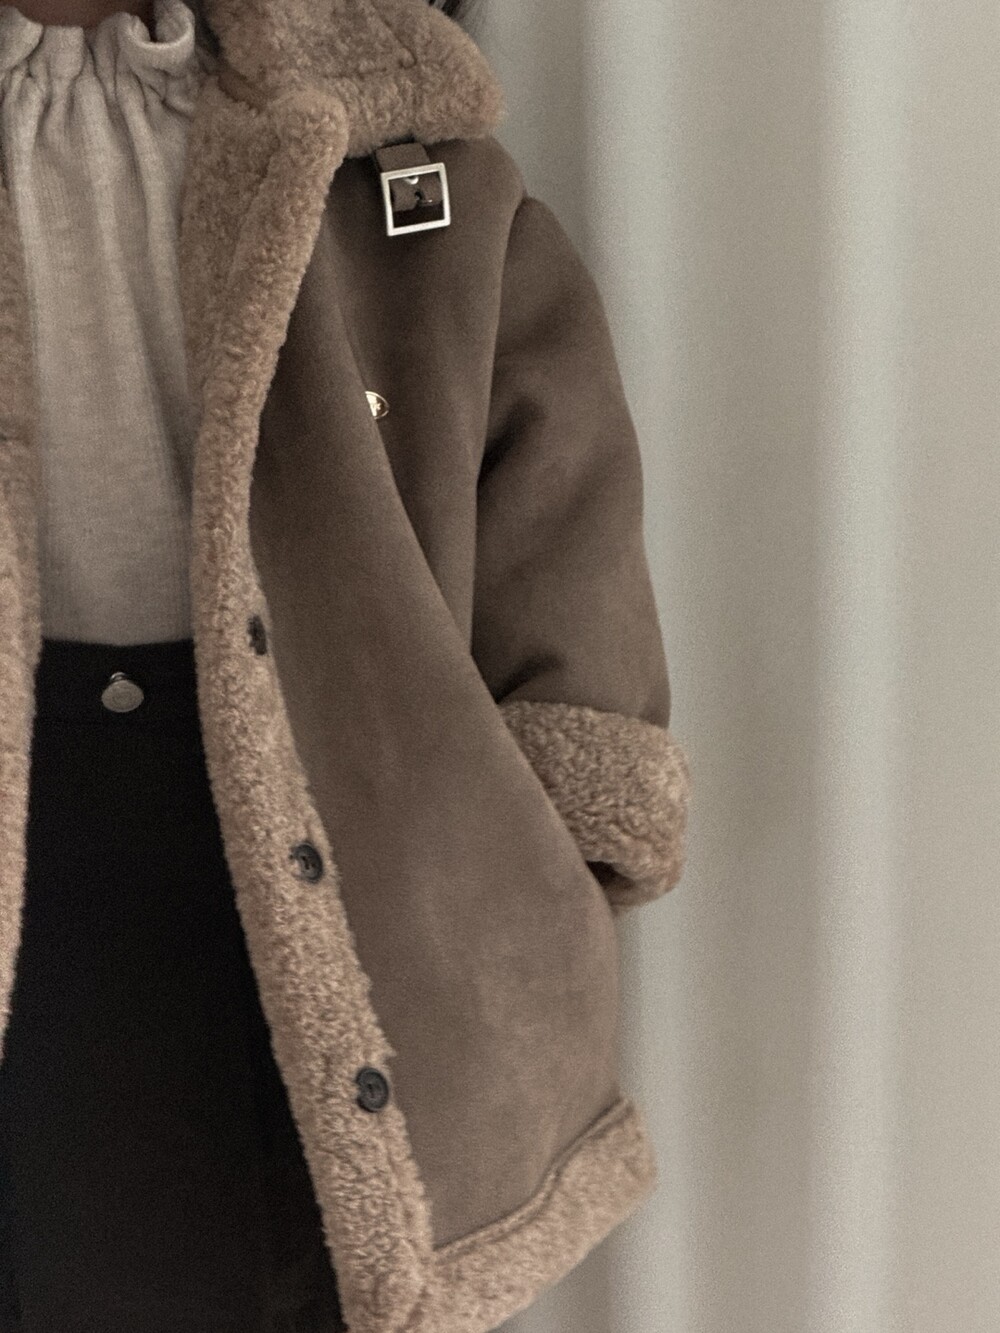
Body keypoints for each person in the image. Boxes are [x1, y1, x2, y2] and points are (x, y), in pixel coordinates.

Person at [0, 0, 692, 1330]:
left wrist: (538, 842)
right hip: (49, 860)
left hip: (345, 841)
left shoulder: (400, 165)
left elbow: (561, 506)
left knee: (313, 1271)